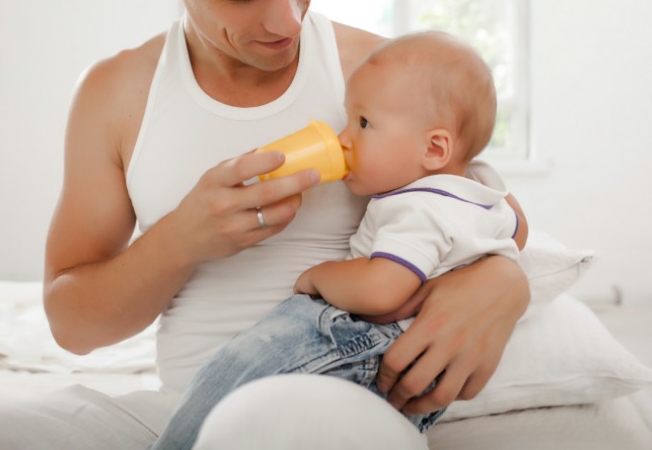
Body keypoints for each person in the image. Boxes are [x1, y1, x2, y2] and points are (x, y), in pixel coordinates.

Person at [0, 0, 530, 448]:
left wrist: (503, 279)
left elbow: (488, 214)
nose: (288, 20)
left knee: (269, 425)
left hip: (335, 394)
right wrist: (182, 239)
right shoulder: (116, 95)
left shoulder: (381, 76)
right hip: (184, 402)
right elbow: (74, 327)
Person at [151, 30, 527, 450]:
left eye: (364, 123)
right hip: (400, 365)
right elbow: (518, 230)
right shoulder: (479, 187)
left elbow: (382, 289)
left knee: (240, 368)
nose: (344, 138)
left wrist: (318, 277)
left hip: (361, 339)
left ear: (435, 149)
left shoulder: (420, 208)